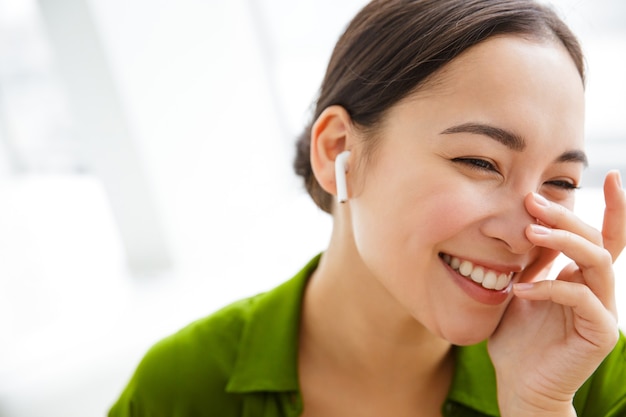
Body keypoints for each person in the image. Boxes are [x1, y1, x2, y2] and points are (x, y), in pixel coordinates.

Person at [108, 0, 626, 416]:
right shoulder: (181, 389)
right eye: (480, 161)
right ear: (338, 151)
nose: (524, 233)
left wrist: (536, 408)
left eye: (560, 181)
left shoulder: (588, 369)